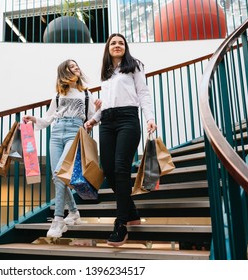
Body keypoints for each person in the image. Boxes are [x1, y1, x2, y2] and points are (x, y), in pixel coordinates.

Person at [84, 33, 157, 247]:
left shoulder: (135, 66)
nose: (117, 46)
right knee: (107, 168)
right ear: (108, 48)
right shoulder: (106, 74)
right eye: (113, 43)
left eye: (121, 43)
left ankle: (121, 223)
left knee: (120, 168)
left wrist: (150, 118)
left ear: (125, 47)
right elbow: (106, 103)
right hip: (107, 121)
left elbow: (143, 93)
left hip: (128, 119)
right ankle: (132, 211)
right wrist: (93, 120)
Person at [23, 59, 101, 238]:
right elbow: (48, 119)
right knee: (56, 176)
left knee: (60, 173)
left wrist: (96, 111)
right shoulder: (58, 95)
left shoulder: (87, 94)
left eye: (77, 66)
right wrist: (34, 120)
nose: (77, 68)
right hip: (56, 133)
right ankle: (73, 211)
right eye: (72, 67)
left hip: (75, 132)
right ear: (65, 72)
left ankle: (59, 219)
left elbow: (91, 119)